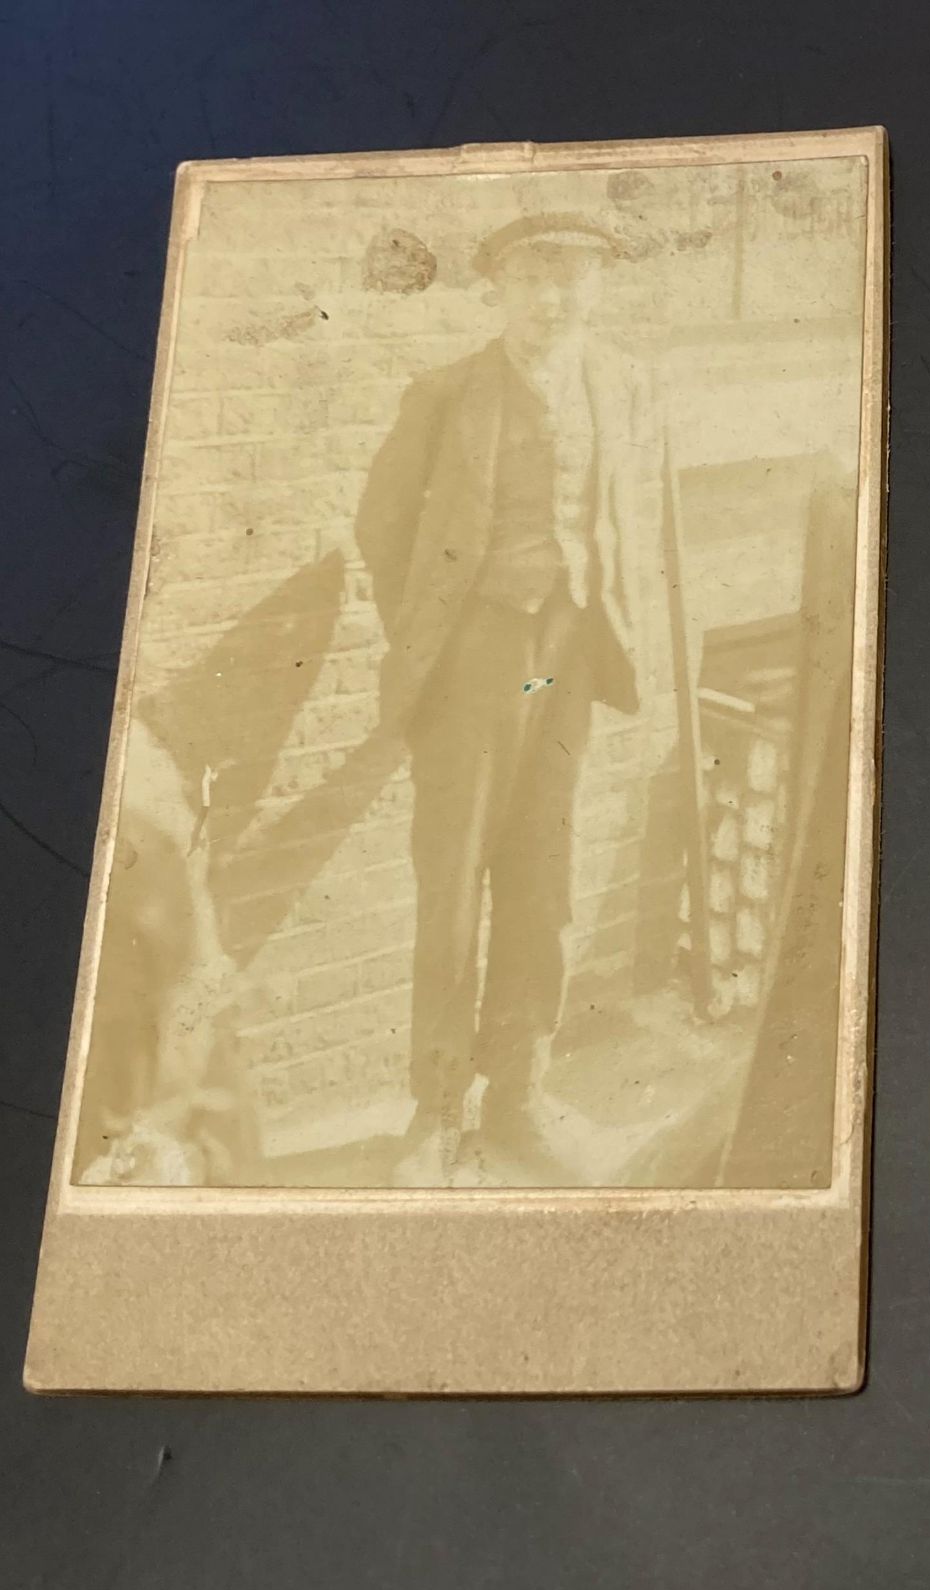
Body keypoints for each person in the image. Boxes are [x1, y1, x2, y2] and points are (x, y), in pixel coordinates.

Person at [353, 212, 663, 1182]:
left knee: (545, 878)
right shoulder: (446, 396)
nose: (554, 296)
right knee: (453, 889)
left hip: (563, 659)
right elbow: (384, 530)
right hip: (478, 662)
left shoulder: (622, 385)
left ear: (599, 287)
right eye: (533, 277)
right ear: (497, 287)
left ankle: (521, 1095)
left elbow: (637, 519)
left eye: (573, 277)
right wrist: (438, 641)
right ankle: (436, 1114)